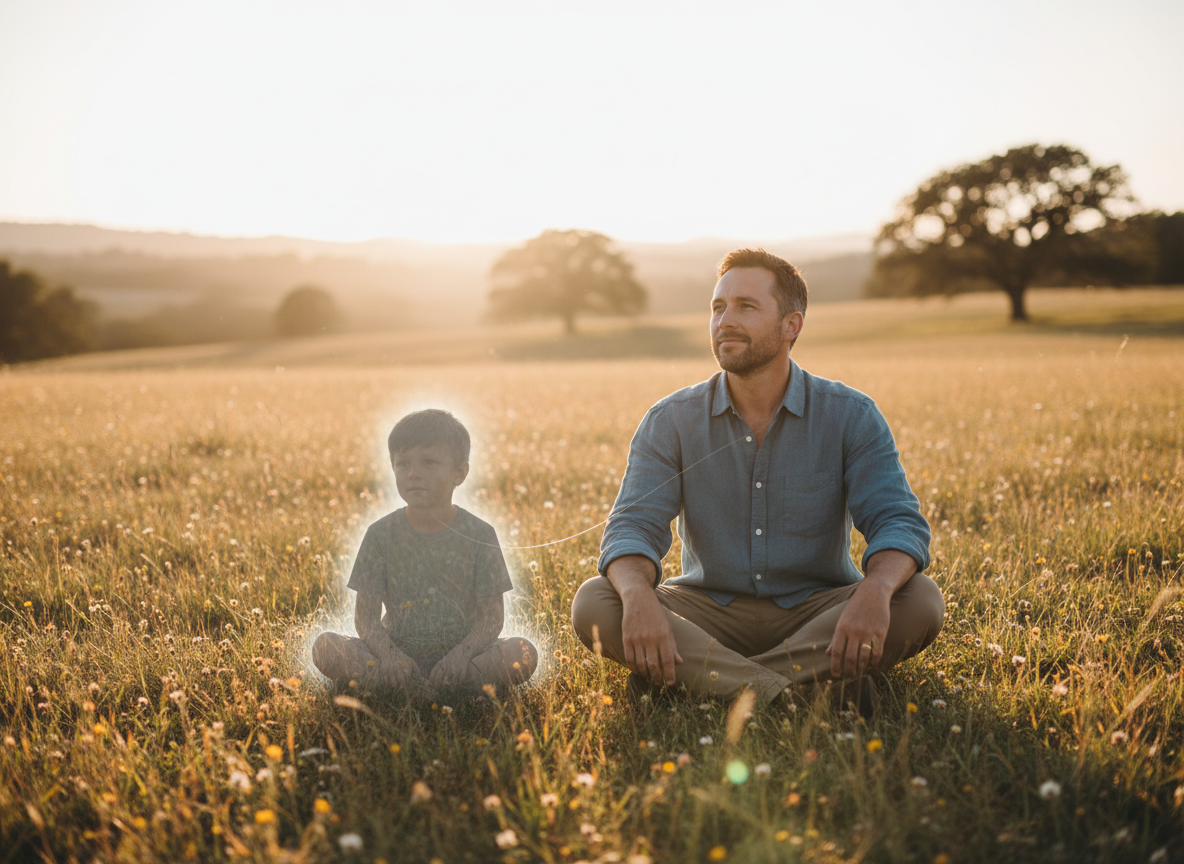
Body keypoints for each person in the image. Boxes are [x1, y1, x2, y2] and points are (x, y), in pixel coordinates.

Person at [571, 248, 943, 714]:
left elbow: (897, 521)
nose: (725, 320)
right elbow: (632, 527)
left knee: (921, 599)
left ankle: (703, 682)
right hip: (706, 612)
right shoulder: (670, 420)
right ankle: (794, 692)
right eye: (718, 307)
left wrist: (875, 591)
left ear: (791, 326)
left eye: (746, 306)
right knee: (596, 601)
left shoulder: (851, 415)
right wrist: (636, 596)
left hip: (818, 612)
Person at [312, 409, 537, 696]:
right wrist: (390, 657)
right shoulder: (379, 534)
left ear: (460, 473)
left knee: (523, 652)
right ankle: (424, 685)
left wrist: (460, 657)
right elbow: (366, 619)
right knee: (326, 647)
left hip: (464, 653)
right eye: (403, 463)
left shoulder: (481, 533)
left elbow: (491, 619)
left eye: (429, 462)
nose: (413, 473)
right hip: (394, 649)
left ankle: (423, 686)